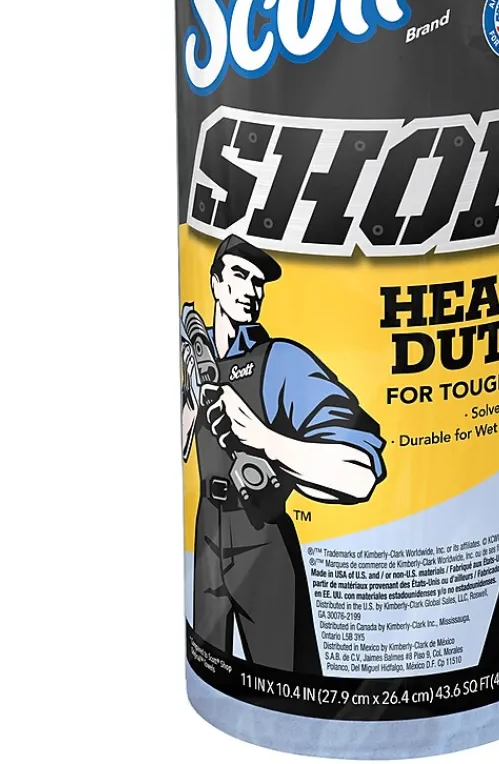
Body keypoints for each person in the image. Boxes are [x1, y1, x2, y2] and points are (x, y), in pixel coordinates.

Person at [181, 235, 386, 673]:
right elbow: (183, 445)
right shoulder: (198, 358)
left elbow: (361, 473)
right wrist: (191, 399)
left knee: (289, 681)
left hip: (262, 534)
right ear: (215, 282)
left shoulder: (280, 361)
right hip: (205, 532)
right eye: (240, 275)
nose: (251, 290)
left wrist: (264, 438)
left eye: (258, 282)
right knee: (211, 667)